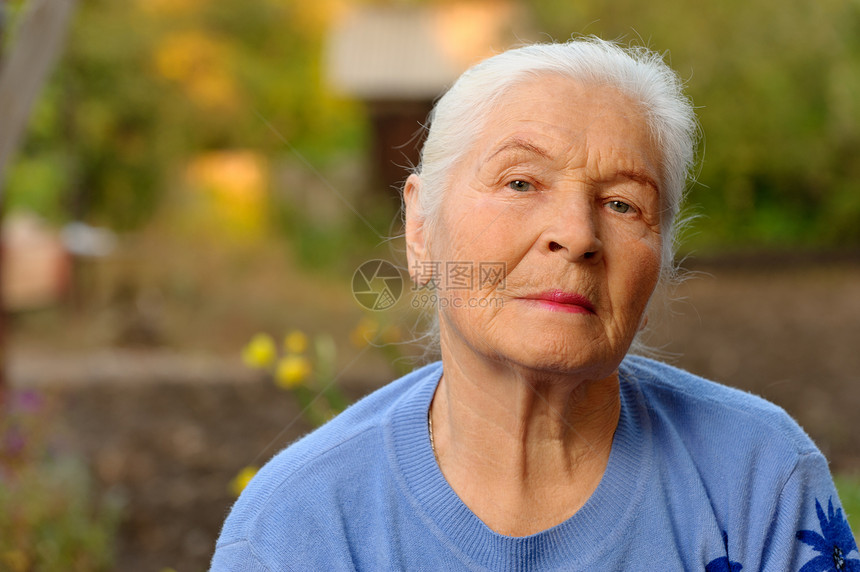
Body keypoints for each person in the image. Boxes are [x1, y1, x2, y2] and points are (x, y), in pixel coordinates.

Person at [210, 38, 858, 571]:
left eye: (623, 204)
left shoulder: (758, 478)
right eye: (521, 182)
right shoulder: (296, 528)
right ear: (420, 229)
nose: (577, 234)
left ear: (659, 261)